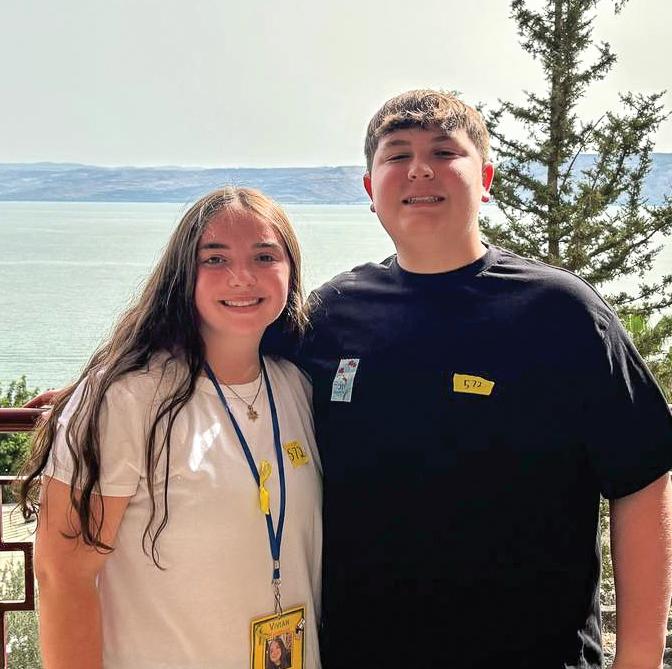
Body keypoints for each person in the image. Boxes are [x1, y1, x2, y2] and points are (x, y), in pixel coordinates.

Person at [291, 90, 672, 668]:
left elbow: (642, 480)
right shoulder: (329, 317)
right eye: (397, 155)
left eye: (444, 152)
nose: (420, 168)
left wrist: (638, 660)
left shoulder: (561, 312)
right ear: (370, 188)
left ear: (486, 178)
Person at [19, 187, 323, 669]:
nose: (242, 276)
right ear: (183, 276)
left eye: (264, 256)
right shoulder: (127, 399)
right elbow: (63, 575)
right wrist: (89, 398)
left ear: (291, 271)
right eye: (215, 258)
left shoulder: (296, 386)